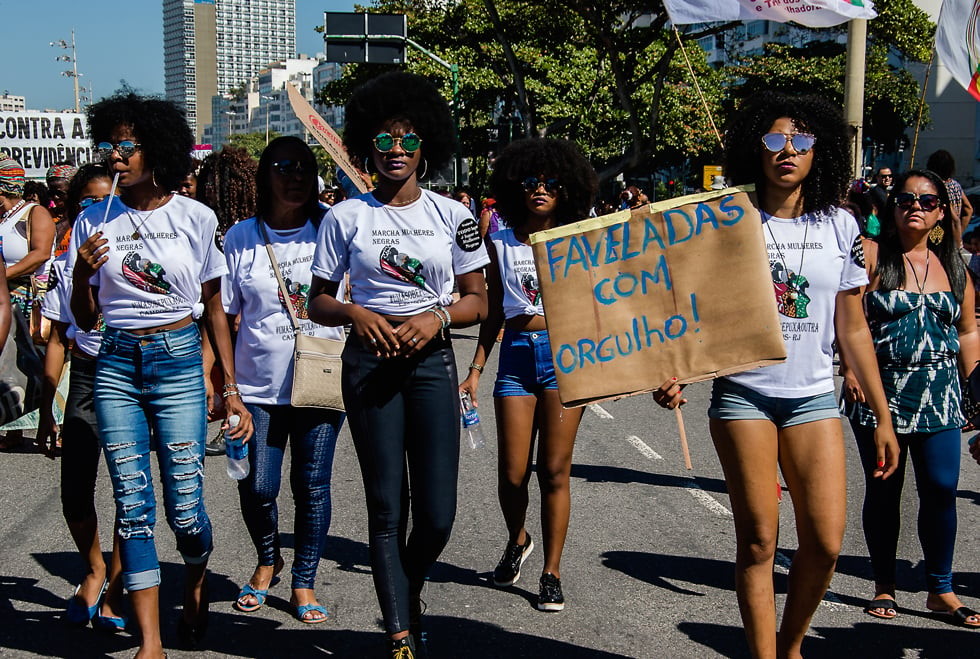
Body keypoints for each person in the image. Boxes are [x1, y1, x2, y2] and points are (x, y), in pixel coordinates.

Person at [654, 91, 900, 659]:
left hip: (813, 398)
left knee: (825, 543)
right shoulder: (725, 219)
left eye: (802, 140)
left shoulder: (839, 225)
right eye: (774, 140)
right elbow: (693, 305)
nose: (787, 150)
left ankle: (790, 646)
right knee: (760, 539)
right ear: (754, 149)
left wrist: (882, 416)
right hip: (744, 396)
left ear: (822, 151)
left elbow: (853, 328)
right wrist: (674, 369)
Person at [308, 71, 489, 659]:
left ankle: (406, 592)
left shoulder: (452, 214)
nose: (395, 150)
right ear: (367, 147)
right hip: (368, 367)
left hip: (432, 365)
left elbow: (479, 298)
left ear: (424, 146)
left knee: (437, 516)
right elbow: (318, 299)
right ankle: (399, 634)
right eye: (384, 140)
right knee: (388, 506)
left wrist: (438, 317)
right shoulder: (344, 217)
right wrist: (354, 313)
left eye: (408, 139)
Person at [70, 93, 251, 658]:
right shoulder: (91, 219)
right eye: (110, 146)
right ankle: (151, 643)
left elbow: (215, 307)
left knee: (186, 509)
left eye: (128, 146)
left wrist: (230, 387)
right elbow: (84, 317)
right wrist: (81, 272)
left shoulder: (195, 217)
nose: (116, 157)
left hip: (177, 363)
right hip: (116, 363)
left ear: (158, 148)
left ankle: (195, 578)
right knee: (132, 503)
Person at [459, 138, 597, 612]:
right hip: (516, 357)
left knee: (555, 472)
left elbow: (608, 304)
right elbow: (494, 310)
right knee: (513, 473)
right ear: (517, 187)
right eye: (532, 182)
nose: (541, 189)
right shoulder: (498, 242)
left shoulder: (579, 239)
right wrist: (476, 369)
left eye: (552, 183)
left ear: (568, 189)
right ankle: (518, 539)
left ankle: (551, 572)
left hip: (566, 359)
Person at [840, 170, 980, 627]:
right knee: (885, 490)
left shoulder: (954, 266)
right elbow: (847, 317)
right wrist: (852, 370)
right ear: (891, 207)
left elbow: (969, 330)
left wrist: (976, 393)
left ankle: (941, 589)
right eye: (904, 198)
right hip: (883, 394)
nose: (914, 206)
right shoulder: (872, 255)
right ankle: (885, 584)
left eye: (926, 200)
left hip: (941, 396)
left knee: (941, 489)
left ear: (941, 211)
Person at [223, 136, 345, 624]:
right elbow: (226, 316)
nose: (294, 176)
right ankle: (268, 558)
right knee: (258, 485)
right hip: (257, 387)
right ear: (264, 175)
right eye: (283, 166)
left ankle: (304, 579)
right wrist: (225, 387)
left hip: (320, 377)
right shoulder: (241, 236)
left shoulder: (332, 229)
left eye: (303, 167)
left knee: (312, 484)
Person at [36, 163, 128, 631]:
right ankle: (93, 568)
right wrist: (47, 409)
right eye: (86, 202)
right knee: (75, 490)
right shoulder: (63, 261)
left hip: (130, 374)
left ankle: (113, 585)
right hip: (89, 377)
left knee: (127, 488)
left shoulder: (135, 248)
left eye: (104, 199)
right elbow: (57, 339)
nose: (97, 208)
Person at [195, 145, 258, 455]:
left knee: (230, 376)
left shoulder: (239, 230)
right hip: (218, 313)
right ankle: (229, 421)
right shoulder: (217, 226)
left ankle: (231, 423)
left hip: (233, 316)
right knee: (224, 376)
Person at [0, 157, 56, 450]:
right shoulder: (4, 217)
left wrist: (4, 274)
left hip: (26, 298)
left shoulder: (34, 214)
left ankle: (51, 423)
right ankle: (12, 424)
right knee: (8, 362)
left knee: (31, 359)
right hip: (3, 296)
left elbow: (40, 253)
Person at [926, 150, 973, 245]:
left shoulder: (933, 186)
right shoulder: (956, 185)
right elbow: (968, 210)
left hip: (935, 239)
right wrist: (958, 233)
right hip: (953, 240)